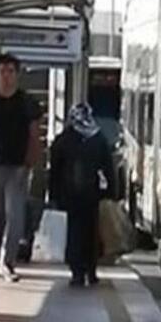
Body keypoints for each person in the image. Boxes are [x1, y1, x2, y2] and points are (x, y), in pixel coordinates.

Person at [0, 54, 43, 282]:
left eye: (11, 71)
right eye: (2, 71)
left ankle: (8, 262)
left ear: (17, 75)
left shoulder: (27, 103)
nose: (6, 76)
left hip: (17, 167)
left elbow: (35, 134)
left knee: (15, 216)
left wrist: (30, 162)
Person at [49, 104, 115, 287]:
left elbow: (54, 170)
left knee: (74, 232)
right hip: (92, 194)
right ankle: (91, 270)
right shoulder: (98, 138)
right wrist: (112, 192)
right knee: (91, 232)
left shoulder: (63, 139)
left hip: (69, 194)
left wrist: (53, 194)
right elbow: (108, 168)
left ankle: (77, 271)